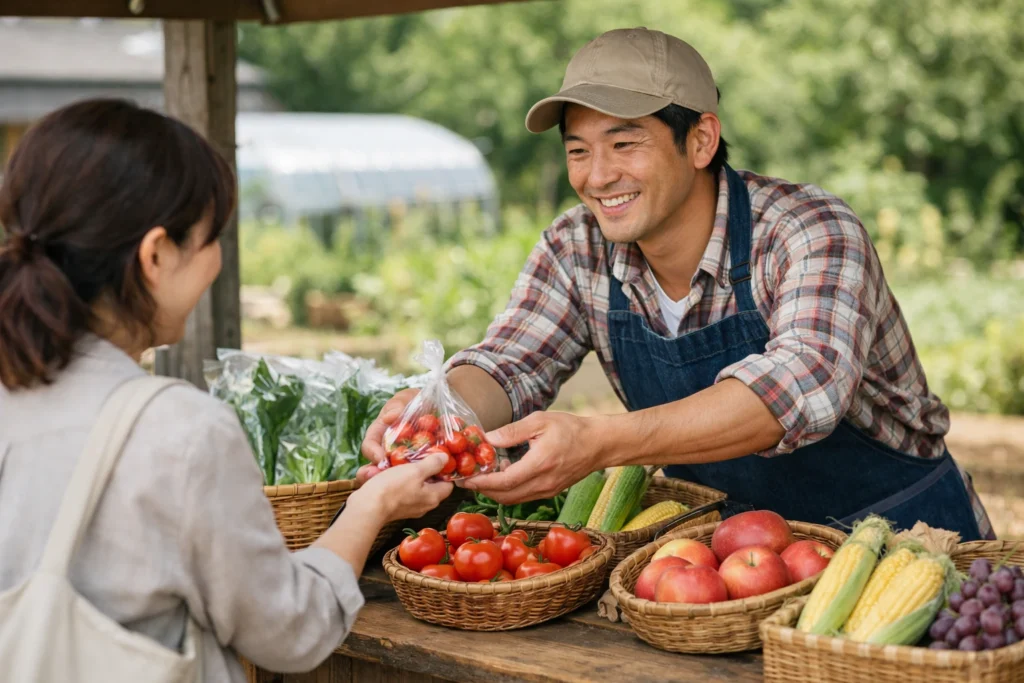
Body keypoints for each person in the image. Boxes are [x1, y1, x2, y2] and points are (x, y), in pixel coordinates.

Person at [361, 27, 993, 541]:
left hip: (907, 541)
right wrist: (437, 418)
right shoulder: (575, 246)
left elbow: (801, 387)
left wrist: (604, 442)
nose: (598, 176)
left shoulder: (808, 231)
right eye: (578, 150)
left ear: (700, 139)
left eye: (624, 143)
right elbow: (509, 364)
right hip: (737, 558)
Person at [0, 99, 452, 682]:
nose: (216, 259)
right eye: (213, 237)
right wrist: (372, 505)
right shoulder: (176, 431)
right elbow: (289, 632)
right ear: (156, 254)